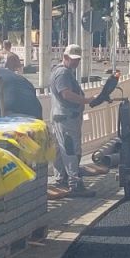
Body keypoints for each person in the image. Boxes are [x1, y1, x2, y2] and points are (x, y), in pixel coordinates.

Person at [47, 45, 88, 198]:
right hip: (66, 118)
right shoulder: (63, 73)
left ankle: (61, 179)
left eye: (77, 60)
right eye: (73, 60)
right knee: (70, 149)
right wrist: (85, 100)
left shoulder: (63, 72)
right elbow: (66, 94)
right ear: (65, 57)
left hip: (61, 117)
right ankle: (74, 183)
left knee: (60, 150)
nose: (76, 63)